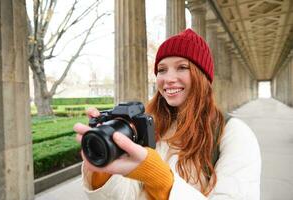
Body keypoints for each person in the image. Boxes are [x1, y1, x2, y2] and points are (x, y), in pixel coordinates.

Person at [74, 28, 261, 200]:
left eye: (182, 67)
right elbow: (129, 196)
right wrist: (104, 166)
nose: (169, 79)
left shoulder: (234, 133)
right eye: (162, 70)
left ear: (202, 76)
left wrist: (162, 181)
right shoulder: (150, 125)